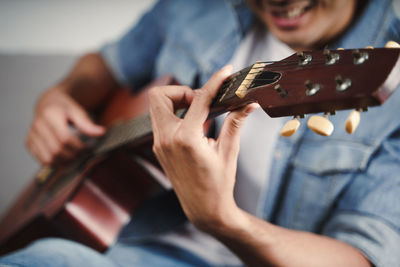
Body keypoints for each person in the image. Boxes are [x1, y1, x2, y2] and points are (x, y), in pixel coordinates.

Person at [1, 0, 400, 266]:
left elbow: (360, 257)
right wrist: (59, 96)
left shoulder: (388, 75)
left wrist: (222, 220)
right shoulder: (194, 8)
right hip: (131, 242)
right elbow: (105, 64)